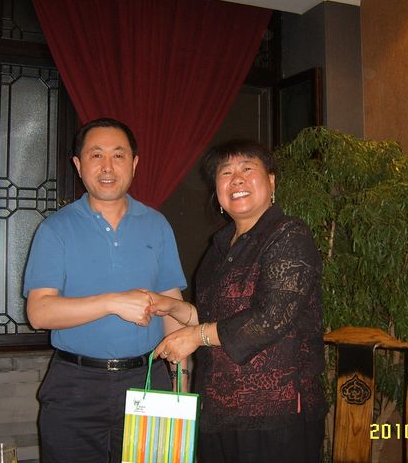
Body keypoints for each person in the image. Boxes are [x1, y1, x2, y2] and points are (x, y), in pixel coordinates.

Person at [149, 139, 327, 463]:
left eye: (247, 168)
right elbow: (218, 318)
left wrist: (195, 335)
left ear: (271, 181)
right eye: (226, 172)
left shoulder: (288, 234)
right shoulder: (218, 248)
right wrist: (175, 308)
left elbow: (271, 318)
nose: (237, 179)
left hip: (275, 414)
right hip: (217, 410)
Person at [23, 117, 187, 463]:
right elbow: (39, 312)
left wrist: (181, 383)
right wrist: (113, 302)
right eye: (96, 155)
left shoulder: (157, 225)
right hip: (75, 387)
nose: (108, 166)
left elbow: (172, 306)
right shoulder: (55, 229)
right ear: (78, 164)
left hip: (149, 380)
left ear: (135, 163)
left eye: (118, 155)